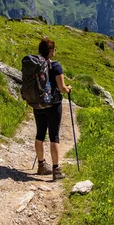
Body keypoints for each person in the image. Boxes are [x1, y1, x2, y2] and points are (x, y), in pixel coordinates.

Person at [34, 37, 72, 180]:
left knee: (40, 134)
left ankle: (41, 165)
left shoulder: (35, 64)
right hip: (53, 105)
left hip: (38, 103)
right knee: (54, 136)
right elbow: (61, 88)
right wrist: (68, 89)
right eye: (54, 49)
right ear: (50, 51)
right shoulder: (56, 67)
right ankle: (56, 170)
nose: (55, 51)